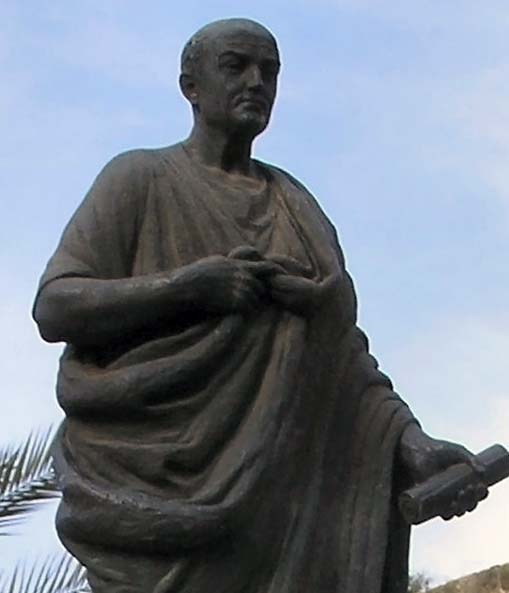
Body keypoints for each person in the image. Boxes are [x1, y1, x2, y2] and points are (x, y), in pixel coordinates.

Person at [33, 18, 487, 593]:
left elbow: (340, 356)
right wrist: (186, 288)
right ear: (190, 86)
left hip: (288, 514)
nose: (256, 82)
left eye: (269, 71)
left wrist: (410, 444)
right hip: (162, 493)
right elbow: (56, 306)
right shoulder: (139, 179)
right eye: (236, 66)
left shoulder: (297, 207)